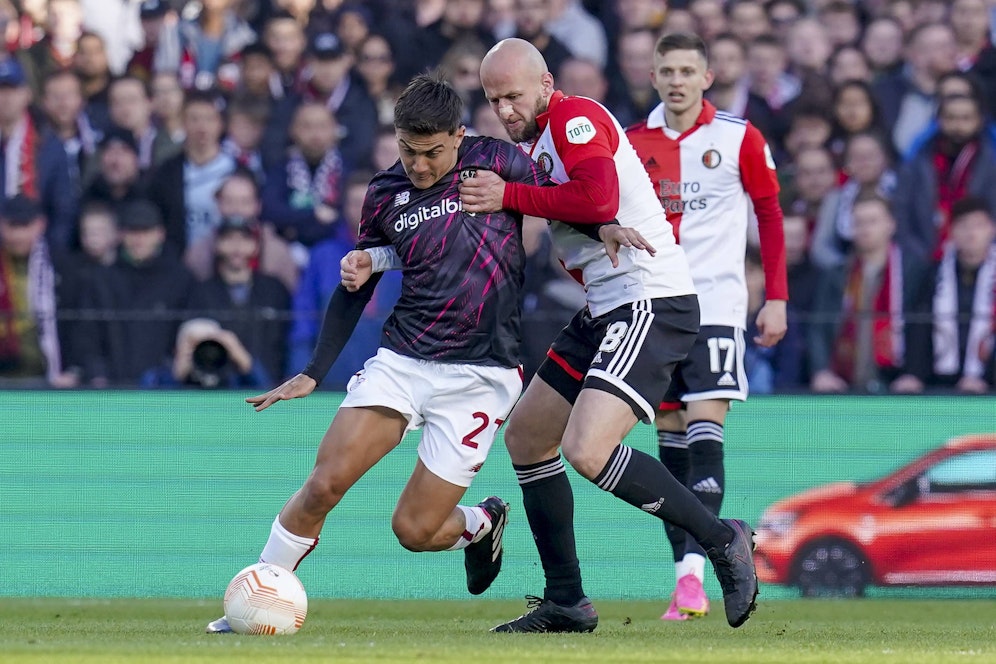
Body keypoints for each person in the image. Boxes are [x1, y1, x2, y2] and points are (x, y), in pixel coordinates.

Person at [205, 72, 588, 634]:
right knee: (324, 483)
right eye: (409, 150)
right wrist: (314, 370)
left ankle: (482, 523)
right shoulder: (385, 192)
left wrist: (606, 227)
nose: (420, 166)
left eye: (432, 153)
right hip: (404, 361)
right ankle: (252, 603)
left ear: (458, 136)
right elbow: (358, 278)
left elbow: (568, 198)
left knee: (414, 530)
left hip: (482, 374)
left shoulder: (497, 161)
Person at [456, 37, 758, 633]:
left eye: (513, 96)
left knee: (587, 449)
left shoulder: (574, 118)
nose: (505, 110)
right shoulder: (538, 141)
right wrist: (599, 228)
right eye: (494, 100)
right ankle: (566, 601)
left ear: (546, 85)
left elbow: (598, 195)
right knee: (527, 437)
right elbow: (590, 207)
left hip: (649, 299)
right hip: (605, 305)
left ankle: (723, 540)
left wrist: (511, 196)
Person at [623, 32, 788, 622]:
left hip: (717, 304)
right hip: (654, 306)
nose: (677, 81)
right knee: (669, 438)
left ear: (707, 78)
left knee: (704, 428)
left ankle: (698, 573)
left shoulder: (740, 137)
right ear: (653, 77)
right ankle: (686, 580)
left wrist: (777, 297)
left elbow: (769, 214)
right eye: (667, 71)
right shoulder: (630, 142)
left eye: (687, 71)